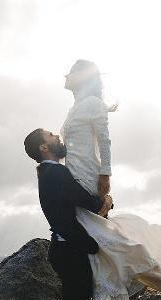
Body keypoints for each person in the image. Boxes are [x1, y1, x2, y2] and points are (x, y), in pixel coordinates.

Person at [60, 59, 161, 299]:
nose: (65, 78)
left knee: (99, 234)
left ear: (81, 78)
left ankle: (141, 266)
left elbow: (104, 140)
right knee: (100, 237)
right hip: (73, 174)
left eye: (70, 74)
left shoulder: (92, 104)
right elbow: (71, 146)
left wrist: (105, 174)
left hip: (88, 175)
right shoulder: (74, 108)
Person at [24, 128, 112, 300]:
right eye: (50, 135)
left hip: (64, 250)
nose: (57, 135)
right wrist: (107, 200)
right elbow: (87, 202)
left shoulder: (48, 173)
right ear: (44, 147)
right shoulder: (56, 173)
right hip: (70, 251)